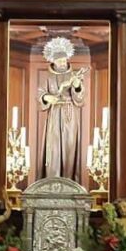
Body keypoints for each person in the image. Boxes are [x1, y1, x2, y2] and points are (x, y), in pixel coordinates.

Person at [38, 39, 86, 179]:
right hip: (54, 114)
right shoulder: (48, 76)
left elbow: (80, 98)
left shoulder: (74, 75)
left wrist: (77, 85)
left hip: (69, 115)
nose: (62, 63)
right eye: (59, 60)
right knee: (53, 150)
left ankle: (68, 180)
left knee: (69, 147)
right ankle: (52, 181)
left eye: (64, 60)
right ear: (53, 61)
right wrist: (47, 98)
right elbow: (40, 92)